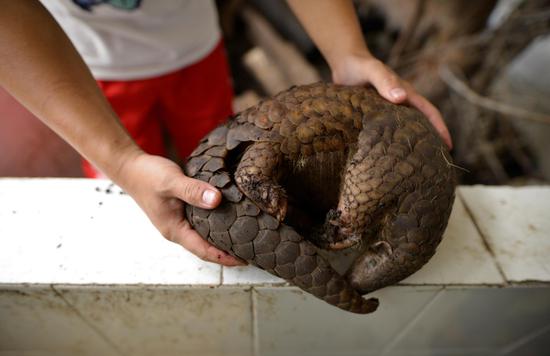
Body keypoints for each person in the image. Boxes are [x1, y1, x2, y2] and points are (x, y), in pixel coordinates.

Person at [0, 0, 452, 267]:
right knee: (125, 181)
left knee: (219, 155)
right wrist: (120, 160)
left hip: (196, 48)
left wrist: (346, 49)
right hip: (88, 67)